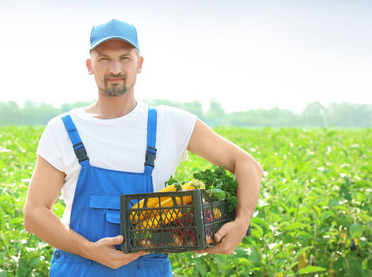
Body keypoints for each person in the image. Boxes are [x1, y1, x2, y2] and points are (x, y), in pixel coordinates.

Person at [23, 19, 263, 276]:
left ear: (140, 64)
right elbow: (35, 213)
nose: (115, 68)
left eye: (125, 58)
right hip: (78, 267)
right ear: (89, 66)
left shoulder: (169, 123)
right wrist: (87, 249)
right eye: (104, 59)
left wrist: (242, 221)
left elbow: (248, 165)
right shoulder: (63, 129)